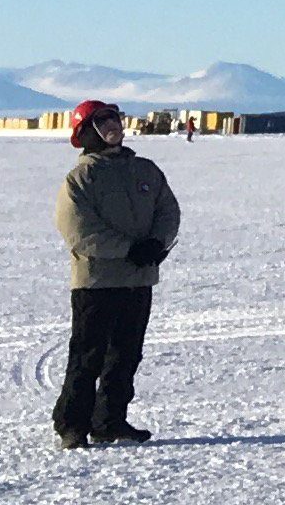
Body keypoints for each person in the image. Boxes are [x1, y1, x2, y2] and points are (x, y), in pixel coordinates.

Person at [51, 99, 182, 449]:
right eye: (102, 120)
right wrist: (129, 249)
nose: (113, 125)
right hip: (96, 282)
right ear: (85, 133)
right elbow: (77, 228)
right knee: (87, 356)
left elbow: (168, 211)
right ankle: (72, 424)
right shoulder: (81, 178)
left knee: (126, 355)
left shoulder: (146, 171)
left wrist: (156, 243)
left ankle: (110, 421)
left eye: (114, 118)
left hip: (138, 281)